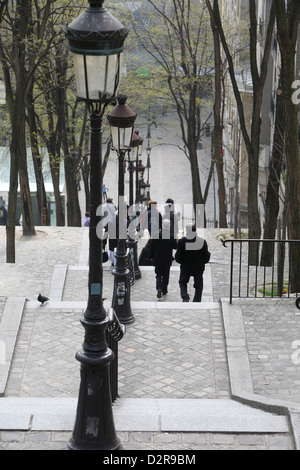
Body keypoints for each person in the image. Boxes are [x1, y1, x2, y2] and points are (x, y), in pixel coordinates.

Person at [175, 224, 210, 303]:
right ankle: (197, 300)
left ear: (187, 231)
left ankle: (185, 297)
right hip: (198, 267)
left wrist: (182, 262)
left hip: (186, 267)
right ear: (195, 230)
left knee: (182, 282)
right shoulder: (202, 241)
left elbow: (178, 257)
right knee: (198, 285)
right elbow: (206, 257)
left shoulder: (181, 241)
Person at [150, 220, 177, 298]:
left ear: (162, 226)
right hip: (167, 259)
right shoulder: (171, 236)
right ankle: (164, 289)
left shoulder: (156, 235)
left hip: (157, 259)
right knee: (166, 275)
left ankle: (159, 288)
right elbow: (175, 247)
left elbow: (152, 247)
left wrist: (151, 257)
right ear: (169, 226)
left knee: (158, 274)